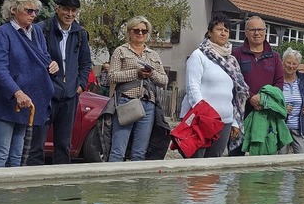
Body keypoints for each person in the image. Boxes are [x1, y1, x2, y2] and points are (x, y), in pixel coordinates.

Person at [0, 0, 57, 167]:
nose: (33, 15)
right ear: (14, 9)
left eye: (35, 11)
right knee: (1, 153)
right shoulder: (2, 33)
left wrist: (52, 65)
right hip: (7, 100)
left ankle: (12, 194)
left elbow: (43, 58)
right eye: (29, 10)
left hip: (28, 101)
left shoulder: (37, 33)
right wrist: (17, 92)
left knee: (17, 155)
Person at [27, 0, 91, 165]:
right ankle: (35, 184)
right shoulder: (42, 29)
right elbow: (33, 59)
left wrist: (80, 86)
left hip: (70, 95)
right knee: (36, 145)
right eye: (66, 9)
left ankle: (60, 188)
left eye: (73, 10)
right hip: (45, 94)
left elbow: (85, 63)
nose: (70, 14)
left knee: (64, 145)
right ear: (57, 9)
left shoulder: (80, 33)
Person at [179, 12, 249, 157]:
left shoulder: (231, 61)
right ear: (210, 32)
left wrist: (235, 121)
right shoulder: (198, 55)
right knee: (195, 164)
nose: (223, 33)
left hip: (225, 121)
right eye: (219, 29)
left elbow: (237, 94)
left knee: (213, 167)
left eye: (226, 30)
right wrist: (205, 113)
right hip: (201, 120)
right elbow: (193, 88)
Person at [108, 16, 168, 161]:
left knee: (140, 153)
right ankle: (112, 183)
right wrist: (136, 73)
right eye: (137, 30)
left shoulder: (153, 54)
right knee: (118, 151)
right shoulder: (120, 51)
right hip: (126, 101)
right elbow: (112, 76)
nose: (140, 33)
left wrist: (151, 73)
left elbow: (164, 80)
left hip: (148, 104)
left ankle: (135, 184)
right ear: (129, 32)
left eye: (144, 31)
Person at [230, 16, 284, 156]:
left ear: (265, 32)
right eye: (252, 29)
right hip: (240, 114)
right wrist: (251, 98)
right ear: (246, 32)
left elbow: (278, 84)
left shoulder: (275, 57)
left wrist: (264, 100)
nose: (257, 33)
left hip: (265, 113)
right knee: (236, 155)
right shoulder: (236, 54)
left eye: (260, 29)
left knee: (264, 156)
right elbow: (233, 81)